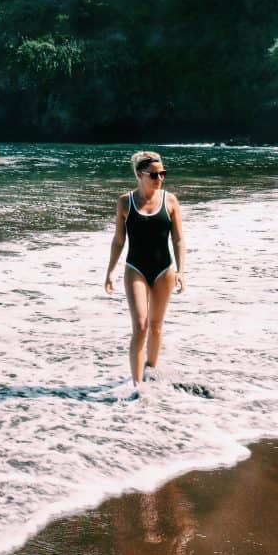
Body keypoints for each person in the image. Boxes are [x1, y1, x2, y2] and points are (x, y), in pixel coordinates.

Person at [104, 150, 185, 385]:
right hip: (135, 268)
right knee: (140, 326)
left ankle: (151, 373)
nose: (160, 178)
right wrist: (109, 271)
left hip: (164, 270)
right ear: (140, 174)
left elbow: (178, 239)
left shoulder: (170, 201)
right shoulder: (124, 202)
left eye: (163, 174)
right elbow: (118, 240)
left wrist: (181, 270)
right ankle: (137, 387)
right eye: (154, 174)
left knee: (156, 327)